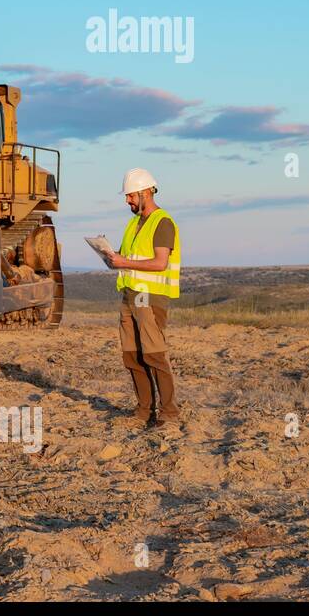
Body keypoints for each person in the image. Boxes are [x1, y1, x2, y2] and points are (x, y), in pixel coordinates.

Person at [107, 168, 182, 430]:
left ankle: (169, 412)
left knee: (154, 355)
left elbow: (161, 263)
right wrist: (113, 257)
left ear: (145, 192)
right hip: (129, 295)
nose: (127, 201)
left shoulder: (162, 222)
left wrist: (123, 261)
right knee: (131, 356)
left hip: (150, 298)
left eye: (130, 196)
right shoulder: (133, 223)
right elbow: (132, 259)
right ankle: (144, 410)